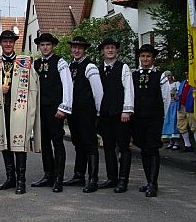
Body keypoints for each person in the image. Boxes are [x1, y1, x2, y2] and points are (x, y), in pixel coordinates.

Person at [0, 30, 40, 195]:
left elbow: (34, 84)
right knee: (5, 142)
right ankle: (10, 178)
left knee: (19, 142)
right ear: (1, 43)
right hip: (0, 108)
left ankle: (21, 180)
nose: (7, 44)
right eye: (5, 41)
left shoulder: (25, 62)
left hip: (19, 108)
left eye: (10, 41)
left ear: (14, 43)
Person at [30, 33, 72, 193]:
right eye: (42, 45)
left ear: (53, 46)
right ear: (39, 47)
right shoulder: (36, 64)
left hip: (55, 110)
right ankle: (48, 174)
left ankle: (59, 178)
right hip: (41, 109)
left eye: (48, 45)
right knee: (44, 143)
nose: (45, 47)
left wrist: (64, 107)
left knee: (57, 143)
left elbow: (67, 86)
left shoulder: (60, 62)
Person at [64, 36, 103, 193]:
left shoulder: (90, 67)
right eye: (74, 47)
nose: (76, 50)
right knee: (78, 143)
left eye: (79, 48)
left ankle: (93, 178)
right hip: (74, 112)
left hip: (87, 111)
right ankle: (79, 175)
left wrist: (99, 113)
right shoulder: (70, 65)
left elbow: (98, 92)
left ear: (84, 49)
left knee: (90, 144)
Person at [132, 44, 170, 197]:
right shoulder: (134, 75)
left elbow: (166, 98)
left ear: (153, 58)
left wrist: (161, 116)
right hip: (138, 119)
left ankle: (153, 183)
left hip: (154, 119)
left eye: (148, 56)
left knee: (152, 149)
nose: (145, 59)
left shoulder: (160, 76)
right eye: (143, 56)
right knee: (144, 149)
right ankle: (148, 181)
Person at [97, 37, 134, 193]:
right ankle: (112, 178)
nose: (110, 50)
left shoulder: (123, 67)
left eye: (112, 47)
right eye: (107, 48)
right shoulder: (98, 70)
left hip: (120, 114)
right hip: (105, 115)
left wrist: (127, 110)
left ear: (116, 50)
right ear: (103, 51)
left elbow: (128, 89)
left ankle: (123, 180)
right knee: (108, 147)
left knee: (124, 147)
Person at [177, 71, 195, 152]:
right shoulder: (183, 83)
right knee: (181, 125)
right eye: (186, 73)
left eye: (188, 73)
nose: (187, 75)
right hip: (181, 106)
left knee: (194, 127)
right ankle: (188, 145)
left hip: (191, 107)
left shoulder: (194, 83)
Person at [162, 71, 180, 150]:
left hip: (174, 105)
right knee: (167, 123)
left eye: (169, 75)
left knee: (174, 123)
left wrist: (177, 96)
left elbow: (180, 94)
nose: (168, 77)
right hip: (167, 106)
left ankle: (176, 142)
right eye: (166, 76)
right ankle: (170, 141)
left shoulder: (176, 84)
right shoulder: (164, 86)